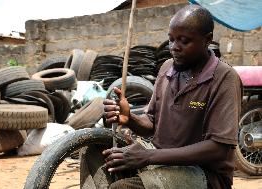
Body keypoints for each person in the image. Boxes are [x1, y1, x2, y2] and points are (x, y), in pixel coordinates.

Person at [81, 4, 242, 189]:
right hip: (160, 158)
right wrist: (129, 118)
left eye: (184, 41)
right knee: (93, 149)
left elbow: (218, 149)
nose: (174, 48)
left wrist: (147, 157)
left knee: (123, 188)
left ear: (207, 40)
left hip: (205, 174)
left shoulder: (224, 78)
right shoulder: (167, 68)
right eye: (171, 39)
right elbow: (151, 123)